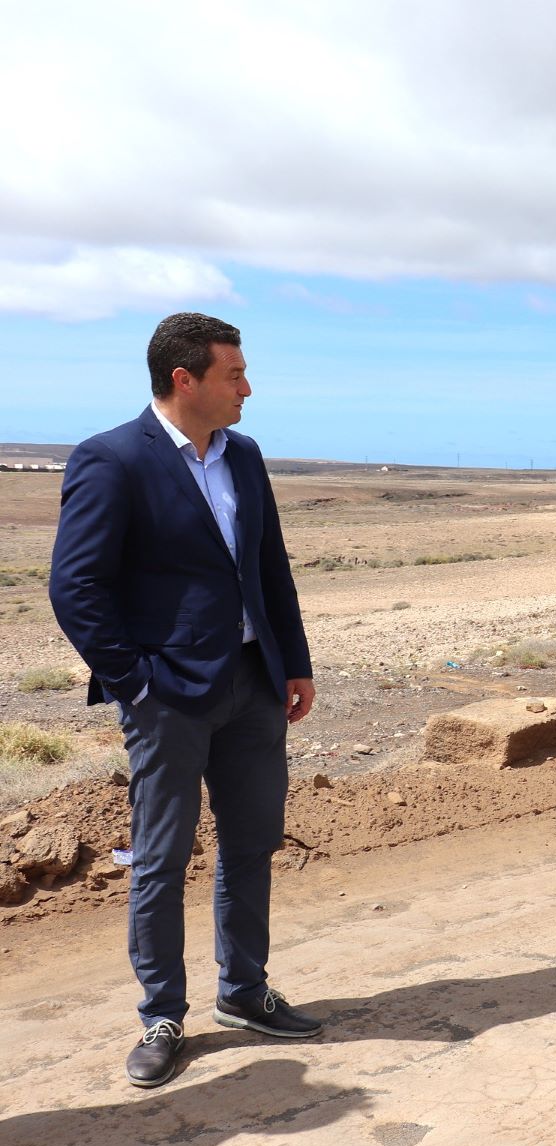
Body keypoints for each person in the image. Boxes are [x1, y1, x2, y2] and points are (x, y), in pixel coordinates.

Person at [49, 312, 320, 1088]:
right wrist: (135, 683)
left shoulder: (245, 456)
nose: (247, 388)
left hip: (254, 684)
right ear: (185, 379)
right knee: (162, 860)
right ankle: (162, 1016)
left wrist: (292, 663)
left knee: (252, 843)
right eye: (233, 374)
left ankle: (243, 991)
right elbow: (75, 587)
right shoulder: (112, 459)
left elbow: (270, 567)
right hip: (167, 696)